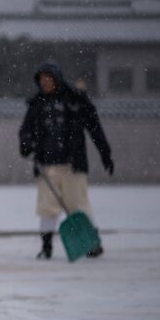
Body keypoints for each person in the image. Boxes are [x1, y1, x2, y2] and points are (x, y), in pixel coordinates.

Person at [19, 59, 114, 259]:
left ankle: (91, 243)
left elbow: (94, 127)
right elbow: (25, 130)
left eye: (48, 78)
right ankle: (46, 247)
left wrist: (105, 153)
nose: (44, 82)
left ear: (57, 79)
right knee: (46, 207)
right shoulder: (37, 104)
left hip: (73, 164)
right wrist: (27, 145)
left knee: (78, 205)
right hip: (46, 166)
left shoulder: (76, 100)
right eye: (41, 79)